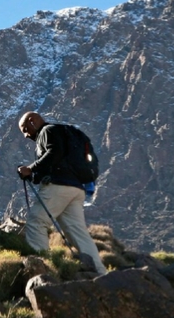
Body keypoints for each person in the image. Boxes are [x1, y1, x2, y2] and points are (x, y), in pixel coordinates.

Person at [17, 111, 107, 275]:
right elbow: (56, 159)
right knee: (78, 232)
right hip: (76, 188)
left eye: (24, 128)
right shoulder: (64, 132)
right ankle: (100, 273)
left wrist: (30, 168)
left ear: (33, 121)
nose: (25, 135)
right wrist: (35, 174)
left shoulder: (47, 131)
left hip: (57, 186)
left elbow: (54, 153)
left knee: (37, 222)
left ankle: (41, 270)